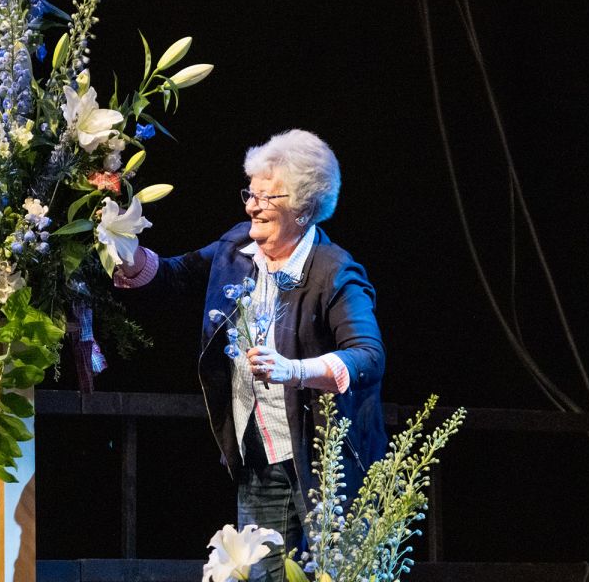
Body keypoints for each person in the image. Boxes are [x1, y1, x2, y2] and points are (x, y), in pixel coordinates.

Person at [115, 129, 386, 581]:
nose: (250, 206)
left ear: (302, 210)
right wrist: (129, 256)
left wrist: (293, 370)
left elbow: (369, 356)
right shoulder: (237, 247)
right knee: (256, 576)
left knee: (336, 575)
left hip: (329, 465)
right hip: (259, 455)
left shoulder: (334, 270)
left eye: (265, 197)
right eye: (250, 193)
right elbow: (177, 275)